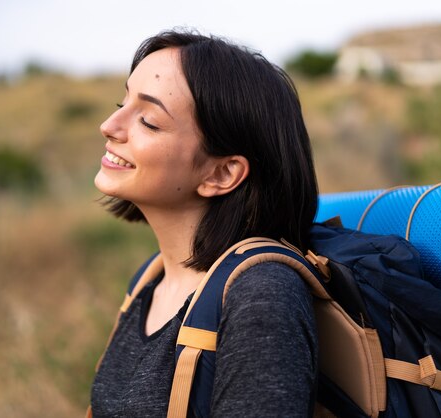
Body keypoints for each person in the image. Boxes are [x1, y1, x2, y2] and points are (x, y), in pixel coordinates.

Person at [90, 29, 319, 417]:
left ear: (222, 174)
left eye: (148, 120)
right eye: (122, 101)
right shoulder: (151, 279)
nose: (109, 125)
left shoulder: (260, 299)